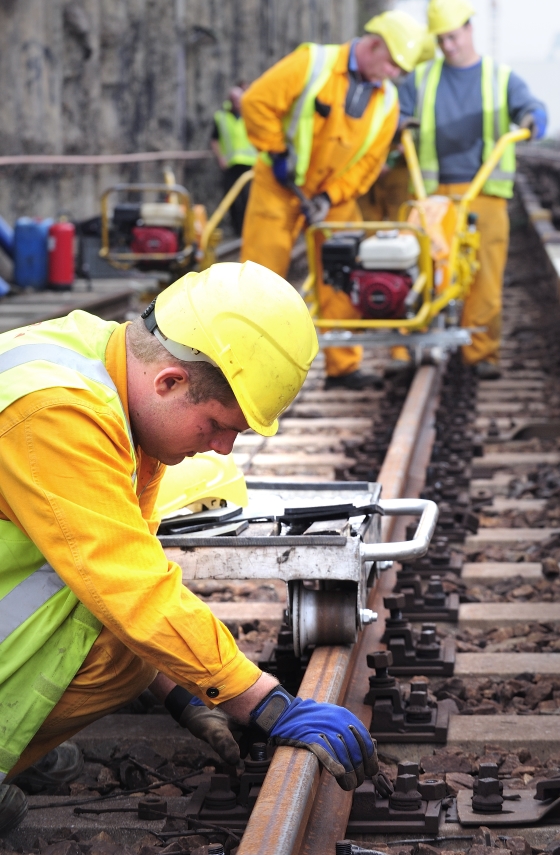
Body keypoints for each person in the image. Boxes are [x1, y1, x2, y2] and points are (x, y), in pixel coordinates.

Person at [0, 262, 378, 836]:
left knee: (127, 650)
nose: (223, 449)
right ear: (170, 381)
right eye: (217, 424)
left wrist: (185, 696)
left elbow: (111, 573)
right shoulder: (57, 414)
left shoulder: (104, 368)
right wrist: (265, 704)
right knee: (120, 646)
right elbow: (130, 589)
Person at [239, 11, 427, 389]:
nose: (393, 73)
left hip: (332, 201)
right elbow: (256, 102)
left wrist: (330, 197)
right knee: (261, 279)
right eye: (391, 63)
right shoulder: (313, 63)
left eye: (400, 69)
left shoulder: (387, 102)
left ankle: (343, 368)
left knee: (342, 276)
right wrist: (276, 152)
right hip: (279, 190)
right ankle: (248, 371)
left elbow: (369, 165)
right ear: (373, 45)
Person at [399, 0, 548, 380]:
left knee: (484, 278)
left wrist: (533, 120)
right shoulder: (421, 78)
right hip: (432, 194)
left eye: (453, 36)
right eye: (441, 39)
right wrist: (396, 122)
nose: (448, 45)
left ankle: (481, 354)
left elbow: (531, 106)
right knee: (416, 271)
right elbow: (396, 110)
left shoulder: (500, 78)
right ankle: (404, 351)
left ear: (469, 28)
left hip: (484, 195)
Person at [211, 84, 257, 236]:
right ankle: (237, 231)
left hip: (250, 164)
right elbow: (215, 140)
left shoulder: (250, 113)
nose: (237, 102)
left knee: (248, 199)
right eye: (235, 99)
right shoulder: (221, 117)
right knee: (231, 199)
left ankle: (248, 229)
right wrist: (220, 158)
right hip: (231, 165)